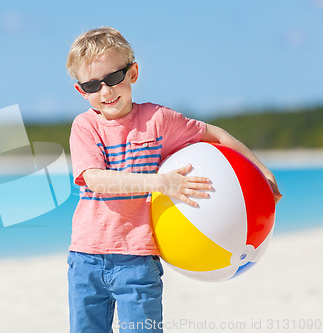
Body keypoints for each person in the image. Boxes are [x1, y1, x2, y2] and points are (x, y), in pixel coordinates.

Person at [65, 26, 282, 333]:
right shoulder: (85, 126)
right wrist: (161, 183)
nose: (106, 91)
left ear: (133, 73)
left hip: (138, 259)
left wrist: (262, 172)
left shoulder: (159, 120)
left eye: (113, 78)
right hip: (85, 258)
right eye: (92, 85)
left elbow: (216, 135)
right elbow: (96, 179)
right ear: (81, 90)